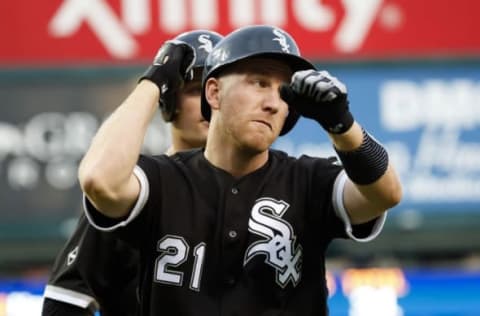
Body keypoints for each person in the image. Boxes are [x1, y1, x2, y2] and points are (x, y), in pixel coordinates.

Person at [78, 25, 402, 315]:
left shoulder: (309, 181)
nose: (273, 102)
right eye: (259, 82)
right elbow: (99, 180)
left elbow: (386, 193)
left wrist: (341, 123)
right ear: (214, 92)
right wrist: (154, 81)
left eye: (283, 91)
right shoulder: (162, 180)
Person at [41, 30, 223, 316]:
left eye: (219, 90)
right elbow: (65, 303)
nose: (208, 102)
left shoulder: (268, 190)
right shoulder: (134, 191)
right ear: (169, 102)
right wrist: (155, 79)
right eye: (193, 90)